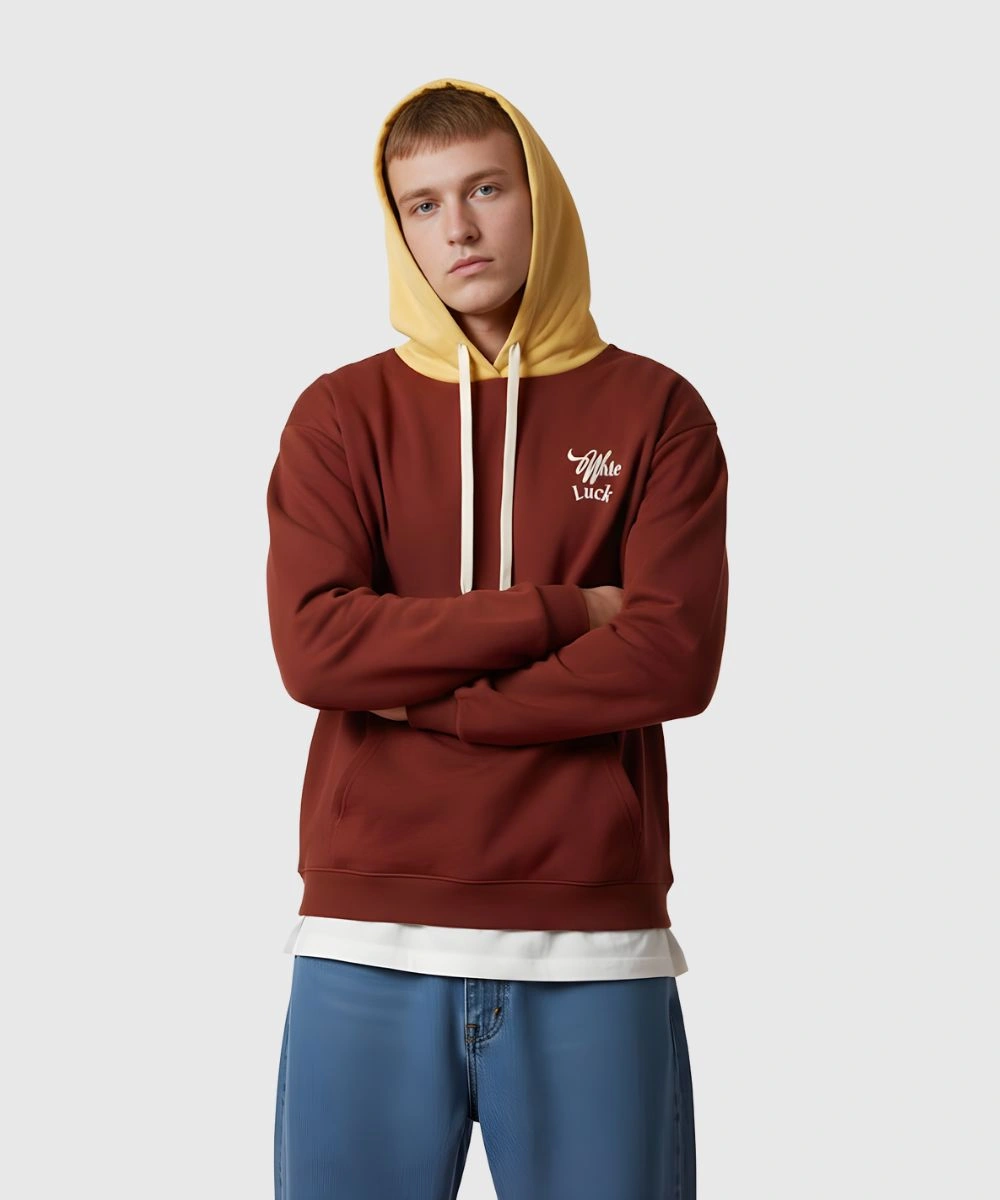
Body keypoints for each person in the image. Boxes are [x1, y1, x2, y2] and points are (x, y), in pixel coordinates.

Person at [266, 76, 729, 1200]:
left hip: (592, 941)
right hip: (366, 934)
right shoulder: (340, 416)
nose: (457, 229)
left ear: (541, 200)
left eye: (485, 189)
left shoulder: (656, 411)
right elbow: (316, 650)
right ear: (398, 228)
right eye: (422, 204)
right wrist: (568, 611)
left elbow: (672, 658)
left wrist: (435, 702)